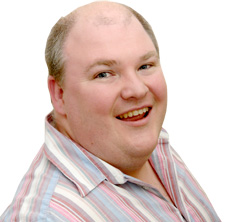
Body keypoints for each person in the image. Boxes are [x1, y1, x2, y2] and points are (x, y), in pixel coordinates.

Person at [0, 1, 220, 221]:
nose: (137, 89)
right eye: (104, 74)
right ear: (59, 94)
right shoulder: (49, 216)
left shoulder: (140, 142)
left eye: (145, 66)